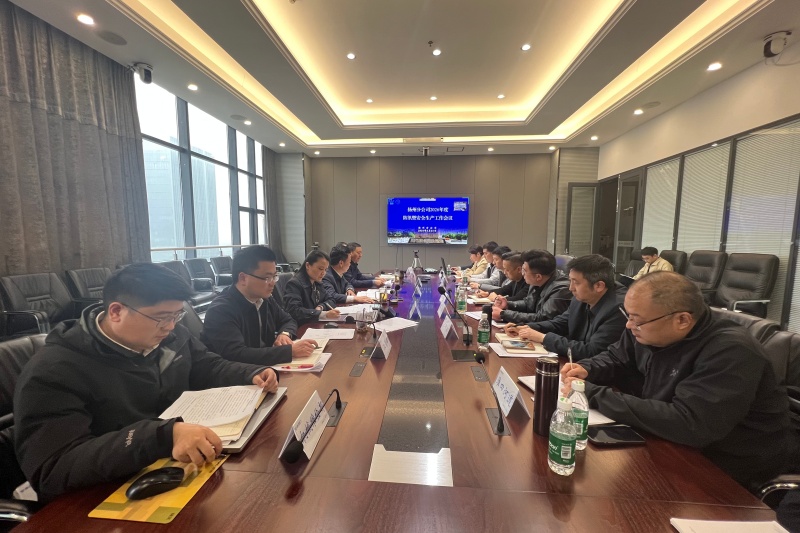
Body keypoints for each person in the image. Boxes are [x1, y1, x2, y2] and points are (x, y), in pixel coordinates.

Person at [13, 263, 280, 503]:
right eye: (162, 317)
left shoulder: (168, 336)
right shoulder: (55, 370)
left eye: (176, 316)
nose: (171, 326)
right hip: (97, 498)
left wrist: (250, 373)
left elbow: (206, 365)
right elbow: (53, 468)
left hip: (169, 465)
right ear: (116, 311)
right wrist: (160, 436)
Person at [561, 271, 799, 492]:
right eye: (628, 316)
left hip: (724, 462)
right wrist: (588, 369)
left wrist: (592, 393)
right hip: (672, 439)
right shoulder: (647, 326)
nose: (629, 325)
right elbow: (617, 356)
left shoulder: (731, 350)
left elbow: (690, 422)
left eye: (636, 320)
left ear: (682, 320)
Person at [201, 245, 318, 366]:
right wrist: (288, 352)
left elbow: (288, 320)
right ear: (243, 278)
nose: (272, 283)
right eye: (267, 278)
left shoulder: (264, 299)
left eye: (274, 276)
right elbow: (236, 354)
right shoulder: (220, 310)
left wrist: (284, 334)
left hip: (265, 367)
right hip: (239, 373)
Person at [506, 254, 626, 360]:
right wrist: (527, 327)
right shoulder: (582, 296)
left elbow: (592, 351)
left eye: (576, 282)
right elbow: (561, 322)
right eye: (570, 281)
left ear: (599, 286)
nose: (570, 288)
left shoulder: (618, 309)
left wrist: (543, 338)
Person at [493, 249, 571, 323]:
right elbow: (528, 303)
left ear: (538, 277)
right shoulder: (537, 281)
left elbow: (542, 318)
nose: (522, 273)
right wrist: (508, 304)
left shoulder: (561, 290)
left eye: (524, 270)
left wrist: (504, 314)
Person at [283, 250, 342, 325]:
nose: (323, 273)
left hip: (314, 323)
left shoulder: (316, 281)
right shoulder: (294, 284)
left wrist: (321, 307)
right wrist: (322, 314)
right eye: (320, 269)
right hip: (300, 326)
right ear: (308, 265)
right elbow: (294, 311)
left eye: (325, 270)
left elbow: (331, 299)